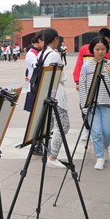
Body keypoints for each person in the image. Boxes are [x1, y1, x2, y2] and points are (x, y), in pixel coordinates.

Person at [79, 36, 110, 170]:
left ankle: (105, 147)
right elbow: (83, 88)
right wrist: (84, 108)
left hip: (107, 103)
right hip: (92, 105)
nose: (100, 52)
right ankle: (99, 157)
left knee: (107, 131)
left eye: (103, 49)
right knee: (96, 132)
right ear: (93, 50)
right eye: (97, 49)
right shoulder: (86, 67)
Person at [34, 28, 68, 169]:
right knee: (64, 126)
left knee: (50, 125)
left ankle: (47, 153)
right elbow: (60, 77)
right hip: (56, 94)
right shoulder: (54, 55)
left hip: (45, 93)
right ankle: (52, 156)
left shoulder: (40, 55)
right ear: (55, 39)